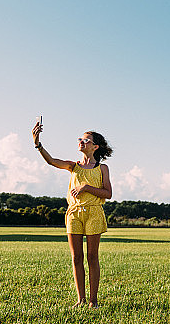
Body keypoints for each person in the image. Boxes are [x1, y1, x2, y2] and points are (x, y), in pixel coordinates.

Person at [32, 120, 113, 308]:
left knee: (92, 257)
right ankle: (80, 299)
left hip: (94, 213)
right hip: (74, 214)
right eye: (80, 139)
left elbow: (108, 194)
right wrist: (38, 144)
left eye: (86, 140)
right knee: (76, 257)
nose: (81, 142)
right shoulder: (73, 166)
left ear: (95, 146)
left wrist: (86, 187)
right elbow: (52, 161)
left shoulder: (102, 169)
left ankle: (93, 301)